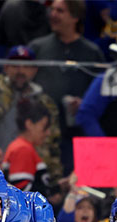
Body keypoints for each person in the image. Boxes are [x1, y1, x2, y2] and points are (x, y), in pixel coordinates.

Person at [0, 19, 63, 181]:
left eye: (26, 66)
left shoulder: (45, 103)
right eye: (15, 65)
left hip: (28, 173)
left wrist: (55, 178)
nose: (20, 71)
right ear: (6, 67)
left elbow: (53, 145)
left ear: (35, 70)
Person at [30, 0, 105, 131]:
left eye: (60, 11)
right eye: (52, 10)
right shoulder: (37, 47)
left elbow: (101, 91)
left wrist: (84, 103)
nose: (53, 14)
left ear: (75, 17)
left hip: (78, 128)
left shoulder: (92, 52)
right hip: (42, 127)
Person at [3, 99, 52, 193]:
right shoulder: (22, 149)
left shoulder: (24, 147)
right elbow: (22, 191)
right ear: (29, 124)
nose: (48, 133)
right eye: (44, 127)